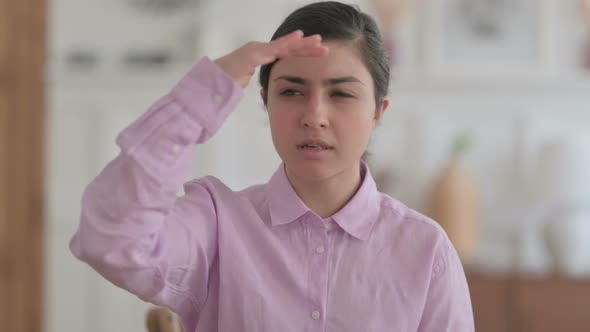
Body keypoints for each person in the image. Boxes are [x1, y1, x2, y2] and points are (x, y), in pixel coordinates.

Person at [70, 1, 474, 331]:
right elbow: (112, 241)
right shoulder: (216, 225)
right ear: (266, 101)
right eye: (292, 91)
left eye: (341, 95)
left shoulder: (426, 251)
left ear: (378, 112)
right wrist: (203, 94)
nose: (314, 115)